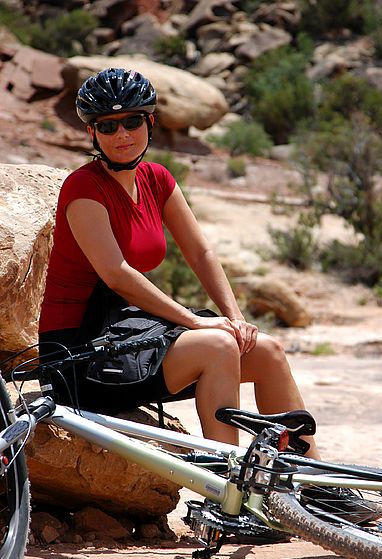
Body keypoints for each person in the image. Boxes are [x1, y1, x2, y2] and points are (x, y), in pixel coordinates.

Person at [38, 67, 320, 459]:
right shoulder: (83, 188)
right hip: (81, 351)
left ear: (150, 122)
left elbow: (201, 252)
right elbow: (116, 274)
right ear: (92, 134)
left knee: (266, 350)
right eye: (108, 126)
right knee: (217, 346)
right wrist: (196, 321)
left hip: (129, 333)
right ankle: (227, 497)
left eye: (132, 121)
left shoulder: (157, 179)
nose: (122, 134)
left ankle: (316, 489)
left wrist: (235, 318)